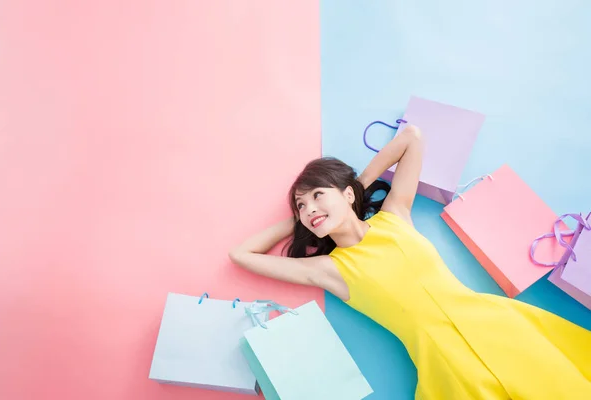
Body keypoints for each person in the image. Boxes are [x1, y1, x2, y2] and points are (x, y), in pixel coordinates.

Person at [228, 125, 591, 399]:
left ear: (346, 193)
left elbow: (412, 137)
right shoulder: (329, 270)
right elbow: (241, 254)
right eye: (301, 207)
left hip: (498, 326)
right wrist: (302, 219)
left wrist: (356, 186)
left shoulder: (394, 216)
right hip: (446, 363)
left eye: (316, 196)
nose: (309, 210)